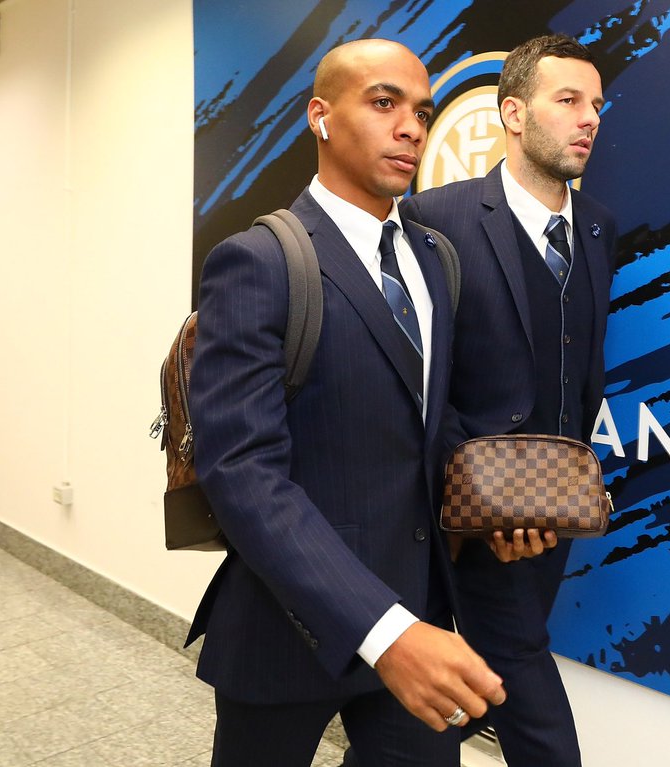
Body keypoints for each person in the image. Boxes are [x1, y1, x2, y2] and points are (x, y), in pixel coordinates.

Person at [185, 38, 511, 767]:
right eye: (384, 103)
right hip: (288, 624)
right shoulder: (260, 260)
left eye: (421, 112)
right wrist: (383, 631)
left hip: (420, 615)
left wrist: (498, 503)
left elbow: (426, 421)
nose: (411, 129)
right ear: (320, 117)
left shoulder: (435, 259)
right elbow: (241, 470)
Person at [398, 33, 618, 767]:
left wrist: (545, 496)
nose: (589, 118)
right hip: (456, 512)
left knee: (468, 688)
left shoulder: (598, 228)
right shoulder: (434, 218)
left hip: (548, 517)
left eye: (596, 104)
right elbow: (415, 375)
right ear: (514, 114)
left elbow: (578, 369)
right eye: (568, 100)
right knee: (521, 677)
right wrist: (487, 498)